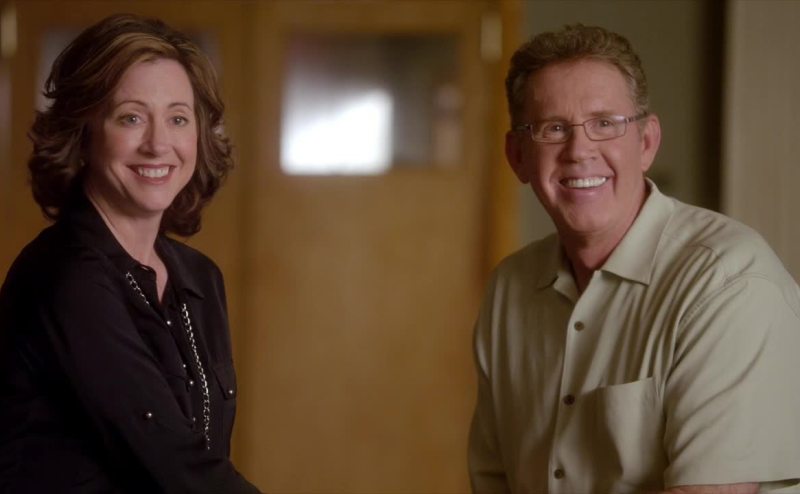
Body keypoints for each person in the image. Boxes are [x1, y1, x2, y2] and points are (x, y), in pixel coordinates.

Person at [468, 24, 800, 494]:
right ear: (517, 155)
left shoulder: (729, 283)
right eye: (553, 128)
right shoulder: (509, 288)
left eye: (605, 123)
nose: (579, 151)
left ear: (646, 143)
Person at [0, 13, 260, 493]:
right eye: (131, 117)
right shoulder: (66, 278)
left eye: (178, 119)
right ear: (84, 133)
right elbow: (174, 465)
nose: (158, 144)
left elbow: (203, 460)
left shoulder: (199, 278)